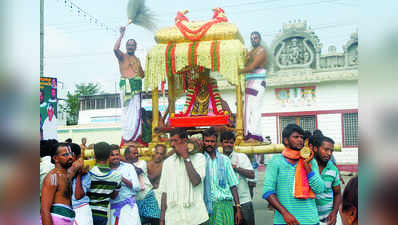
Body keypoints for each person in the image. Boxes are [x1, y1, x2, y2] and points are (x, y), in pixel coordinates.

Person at [262, 124, 325, 225]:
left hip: (310, 220)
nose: (300, 140)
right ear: (286, 140)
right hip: (284, 221)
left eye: (302, 137)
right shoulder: (276, 161)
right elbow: (267, 191)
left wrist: (307, 166)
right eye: (296, 137)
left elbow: (319, 189)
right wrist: (285, 213)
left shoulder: (310, 161)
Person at [157, 128, 208, 225]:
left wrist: (186, 157)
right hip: (174, 218)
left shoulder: (199, 158)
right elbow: (164, 191)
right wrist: (162, 220)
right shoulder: (168, 162)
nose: (172, 144)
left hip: (195, 217)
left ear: (185, 141)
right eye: (171, 141)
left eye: (175, 141)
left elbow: (196, 181)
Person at [202, 127, 242, 225]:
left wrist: (238, 208)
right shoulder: (199, 160)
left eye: (212, 141)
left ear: (217, 143)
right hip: (208, 206)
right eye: (207, 141)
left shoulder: (225, 160)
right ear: (203, 142)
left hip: (226, 205)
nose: (209, 144)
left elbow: (233, 186)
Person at [114, 26, 145, 143]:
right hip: (127, 87)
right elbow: (115, 49)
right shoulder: (122, 56)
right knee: (128, 115)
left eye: (133, 45)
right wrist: (121, 35)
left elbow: (142, 75)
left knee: (136, 114)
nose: (131, 46)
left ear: (135, 47)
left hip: (137, 88)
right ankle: (127, 139)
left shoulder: (137, 59)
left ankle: (136, 138)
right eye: (129, 45)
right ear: (126, 46)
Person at [41, 143, 83, 225]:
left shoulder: (67, 174)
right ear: (55, 158)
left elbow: (78, 164)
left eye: (71, 154)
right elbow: (45, 210)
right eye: (65, 155)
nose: (70, 157)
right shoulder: (52, 177)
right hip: (58, 220)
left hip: (68, 219)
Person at [221, 131, 255, 225]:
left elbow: (252, 175)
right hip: (226, 204)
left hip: (244, 202)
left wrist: (235, 168)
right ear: (221, 143)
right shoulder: (218, 159)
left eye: (231, 142)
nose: (229, 144)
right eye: (226, 142)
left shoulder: (241, 157)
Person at [239, 31, 268, 142]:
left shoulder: (261, 51)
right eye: (252, 38)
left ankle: (255, 135)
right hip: (250, 82)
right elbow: (246, 62)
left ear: (259, 39)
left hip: (257, 82)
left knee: (255, 108)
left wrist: (238, 71)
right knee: (248, 109)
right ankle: (249, 134)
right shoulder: (251, 51)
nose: (253, 40)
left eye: (255, 38)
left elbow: (251, 67)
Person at [87, 142, 122, 225]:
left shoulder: (89, 173)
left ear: (94, 156)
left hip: (87, 213)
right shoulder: (117, 176)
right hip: (102, 214)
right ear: (108, 156)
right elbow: (114, 196)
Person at [125, 145, 161, 225]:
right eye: (134, 153)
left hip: (147, 195)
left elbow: (137, 171)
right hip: (136, 200)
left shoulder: (142, 163)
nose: (137, 155)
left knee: (155, 219)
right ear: (127, 155)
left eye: (137, 153)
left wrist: (124, 160)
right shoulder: (124, 166)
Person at [109, 144, 141, 225]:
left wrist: (121, 178)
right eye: (112, 155)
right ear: (108, 157)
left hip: (129, 208)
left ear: (120, 155)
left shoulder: (128, 167)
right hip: (114, 210)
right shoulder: (106, 170)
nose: (115, 157)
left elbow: (137, 187)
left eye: (117, 154)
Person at [313, 136, 342, 225]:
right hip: (310, 218)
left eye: (331, 151)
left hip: (328, 218)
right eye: (326, 149)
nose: (329, 153)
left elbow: (337, 193)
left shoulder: (333, 169)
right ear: (315, 148)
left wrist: (334, 213)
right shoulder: (307, 167)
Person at [69, 143, 93, 225]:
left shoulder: (85, 173)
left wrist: (79, 175)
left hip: (81, 210)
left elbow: (78, 196)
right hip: (66, 211)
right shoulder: (61, 172)